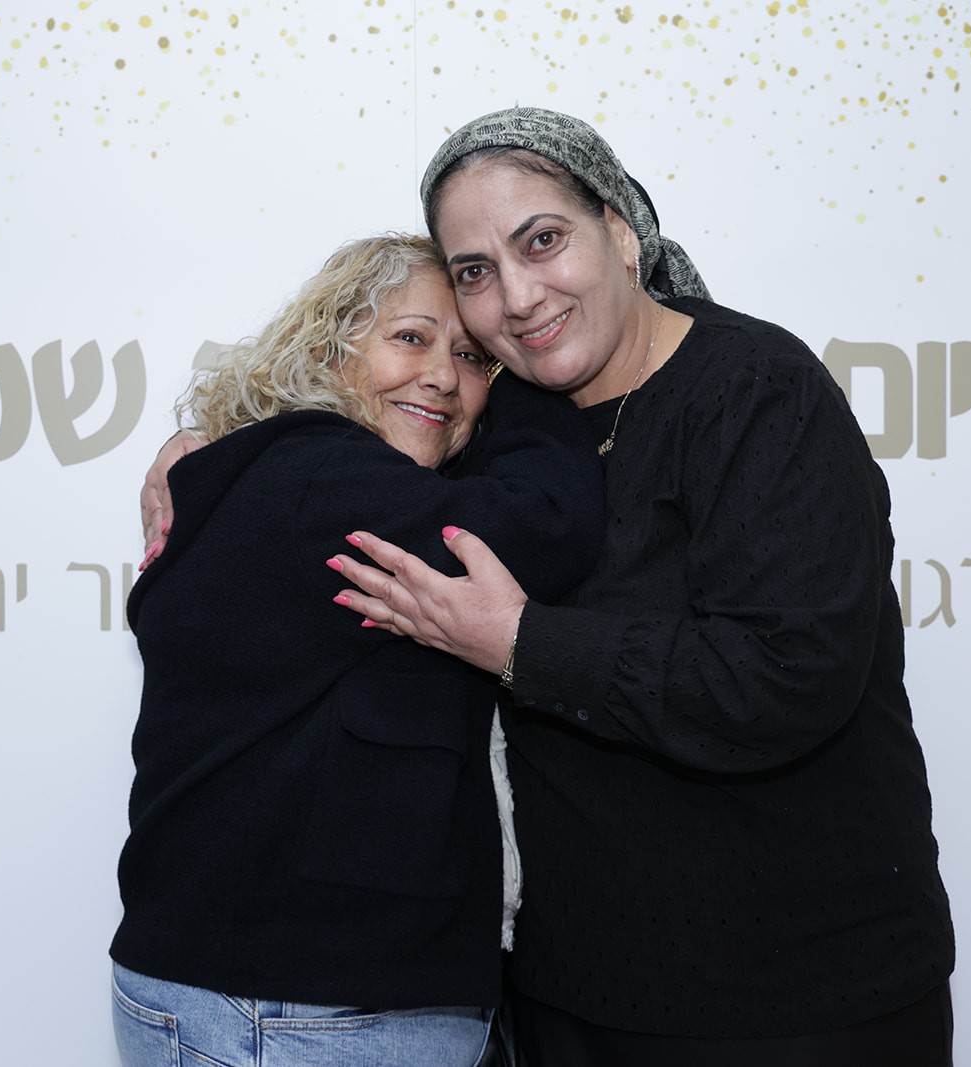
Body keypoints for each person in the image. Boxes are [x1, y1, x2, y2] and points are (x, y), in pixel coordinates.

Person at [145, 108, 956, 1064]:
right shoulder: (487, 419)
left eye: (542, 240)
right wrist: (209, 441)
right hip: (567, 994)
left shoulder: (755, 390)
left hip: (790, 998)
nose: (519, 294)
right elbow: (350, 437)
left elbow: (787, 675)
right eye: (476, 271)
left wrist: (521, 643)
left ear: (621, 231)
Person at [113, 233, 604, 1067]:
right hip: (291, 1014)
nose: (443, 376)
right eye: (411, 338)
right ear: (326, 349)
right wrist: (540, 368)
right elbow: (546, 523)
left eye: (472, 358)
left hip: (269, 998)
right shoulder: (320, 479)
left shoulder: (280, 474)